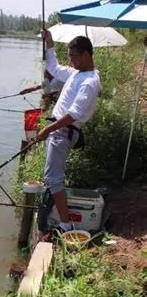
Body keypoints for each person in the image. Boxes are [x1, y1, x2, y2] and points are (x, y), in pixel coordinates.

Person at [37, 29, 102, 233]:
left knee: (53, 178)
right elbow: (54, 67)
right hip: (59, 130)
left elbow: (74, 114)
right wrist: (49, 42)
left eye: (74, 57)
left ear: (86, 55)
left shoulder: (90, 82)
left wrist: (49, 129)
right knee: (51, 177)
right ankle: (61, 215)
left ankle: (65, 224)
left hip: (63, 132)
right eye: (70, 57)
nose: (72, 61)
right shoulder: (76, 73)